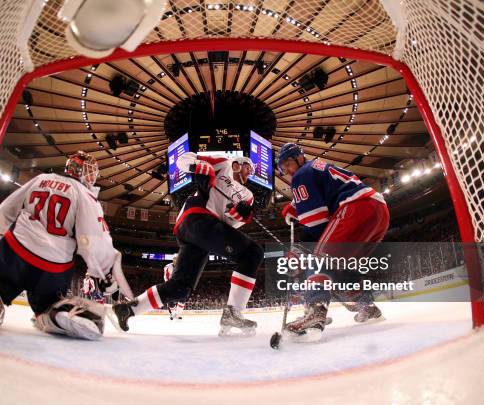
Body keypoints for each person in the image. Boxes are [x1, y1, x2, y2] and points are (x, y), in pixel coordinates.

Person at [0, 151, 120, 340]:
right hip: (53, 266)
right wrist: (103, 272)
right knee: (49, 304)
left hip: (15, 250)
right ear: (85, 173)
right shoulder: (86, 195)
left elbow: (6, 209)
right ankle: (58, 314)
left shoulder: (41, 179)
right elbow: (94, 240)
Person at [109, 154, 264, 336]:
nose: (249, 174)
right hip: (197, 220)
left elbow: (229, 226)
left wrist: (241, 216)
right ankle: (233, 313)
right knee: (252, 253)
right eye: (249, 168)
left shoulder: (248, 196)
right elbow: (182, 159)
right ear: (239, 163)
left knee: (180, 289)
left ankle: (128, 309)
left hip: (199, 232)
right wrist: (198, 166)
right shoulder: (223, 163)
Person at [277, 143, 389, 341]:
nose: (286, 170)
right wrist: (295, 208)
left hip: (356, 208)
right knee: (339, 267)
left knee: (319, 260)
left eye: (287, 163)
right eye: (282, 167)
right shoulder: (317, 168)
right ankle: (368, 307)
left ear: (299, 157)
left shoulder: (302, 174)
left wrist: (300, 249)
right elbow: (320, 201)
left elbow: (317, 224)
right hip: (378, 210)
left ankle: (315, 313)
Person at [163, 255, 184, 320]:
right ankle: (173, 314)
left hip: (179, 285)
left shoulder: (182, 266)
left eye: (177, 259)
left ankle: (177, 314)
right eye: (174, 259)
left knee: (182, 299)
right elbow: (166, 277)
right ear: (173, 260)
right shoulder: (168, 266)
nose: (176, 260)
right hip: (170, 285)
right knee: (170, 301)